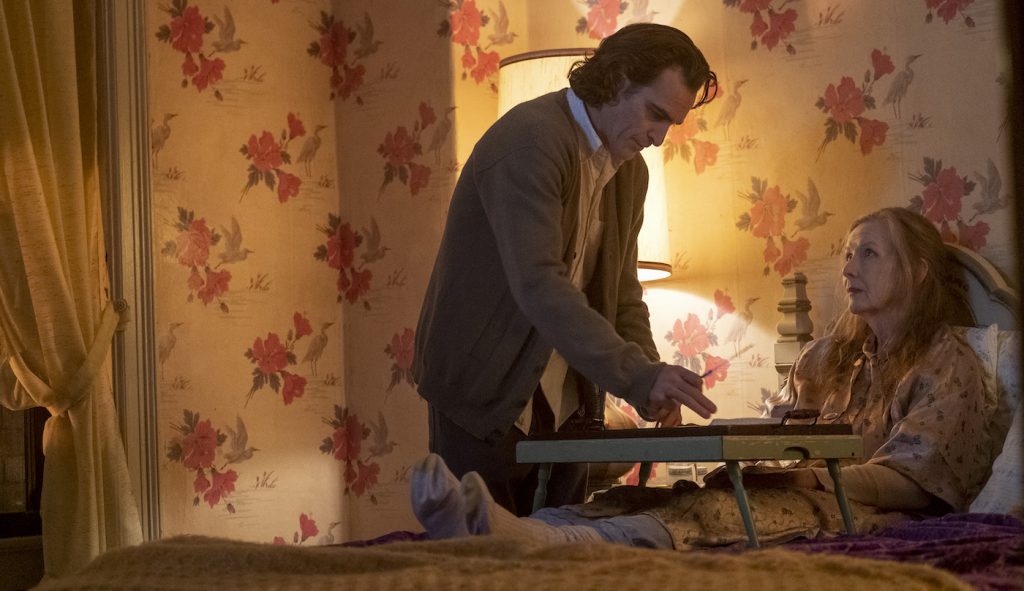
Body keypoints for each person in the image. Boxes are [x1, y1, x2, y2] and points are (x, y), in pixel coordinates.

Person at [410, 207, 997, 549]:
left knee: (713, 516)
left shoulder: (950, 364)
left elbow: (918, 483)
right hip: (789, 488)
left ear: (918, 272)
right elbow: (777, 432)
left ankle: (533, 541)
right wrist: (757, 458)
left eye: (869, 253)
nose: (848, 267)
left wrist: (812, 478)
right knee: (656, 494)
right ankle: (504, 524)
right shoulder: (824, 358)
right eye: (846, 253)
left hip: (866, 513)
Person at [412, 23, 719, 516]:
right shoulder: (530, 141)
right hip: (484, 390)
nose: (660, 138)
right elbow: (540, 285)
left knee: (565, 549)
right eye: (655, 114)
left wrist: (652, 380)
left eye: (670, 124)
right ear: (618, 80)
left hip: (569, 401)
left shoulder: (631, 173)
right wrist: (637, 376)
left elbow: (622, 294)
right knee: (481, 550)